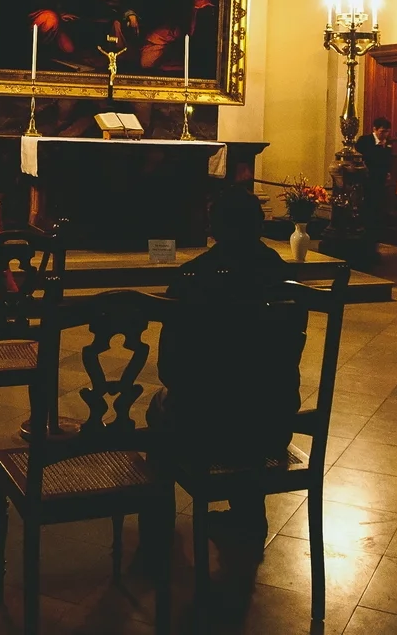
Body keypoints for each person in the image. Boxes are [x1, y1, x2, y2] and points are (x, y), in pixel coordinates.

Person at [149, 184, 305, 565]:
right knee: (250, 390)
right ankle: (248, 515)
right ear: (260, 225)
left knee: (159, 409)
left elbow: (170, 368)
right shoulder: (285, 279)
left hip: (208, 428)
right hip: (273, 422)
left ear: (213, 227)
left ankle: (157, 530)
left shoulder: (192, 278)